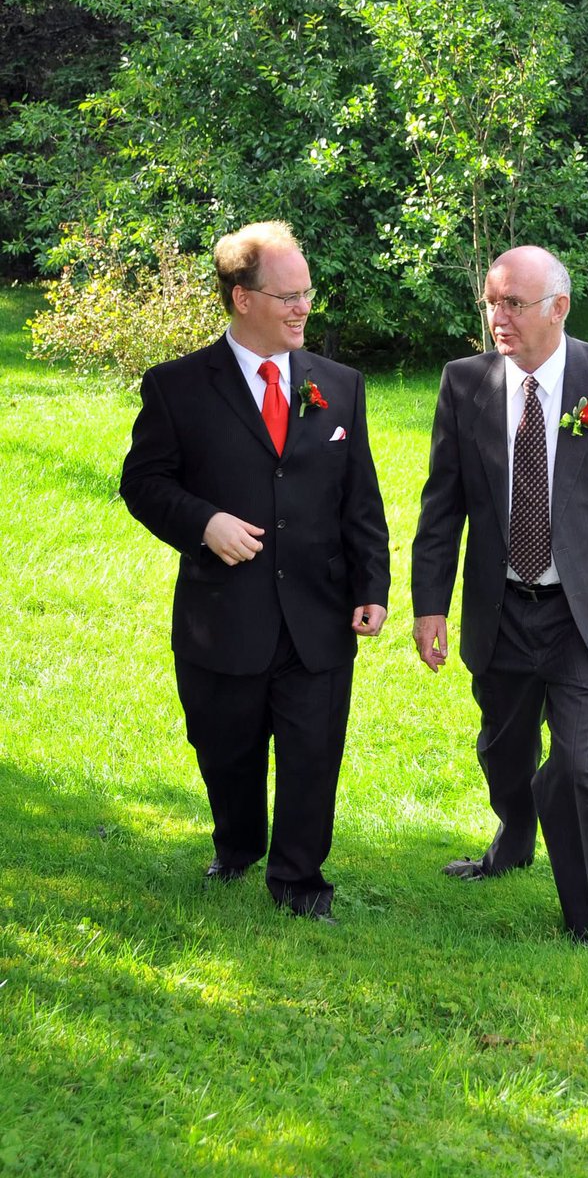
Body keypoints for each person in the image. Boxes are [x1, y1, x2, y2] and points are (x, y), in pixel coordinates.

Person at [121, 221, 390, 920]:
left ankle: (301, 883)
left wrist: (372, 588)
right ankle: (238, 847)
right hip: (223, 613)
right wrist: (203, 523)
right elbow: (143, 484)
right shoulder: (177, 387)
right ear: (242, 299)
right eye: (287, 296)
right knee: (226, 750)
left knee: (312, 755)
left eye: (307, 294)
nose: (303, 308)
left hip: (318, 613)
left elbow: (359, 497)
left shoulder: (339, 386)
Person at [411, 246, 588, 941]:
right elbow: (442, 506)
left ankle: (583, 916)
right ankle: (514, 836)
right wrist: (429, 605)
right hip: (499, 610)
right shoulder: (463, 383)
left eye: (513, 304)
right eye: (491, 302)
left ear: (557, 308)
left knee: (581, 765)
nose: (498, 317)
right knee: (503, 752)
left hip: (585, 614)